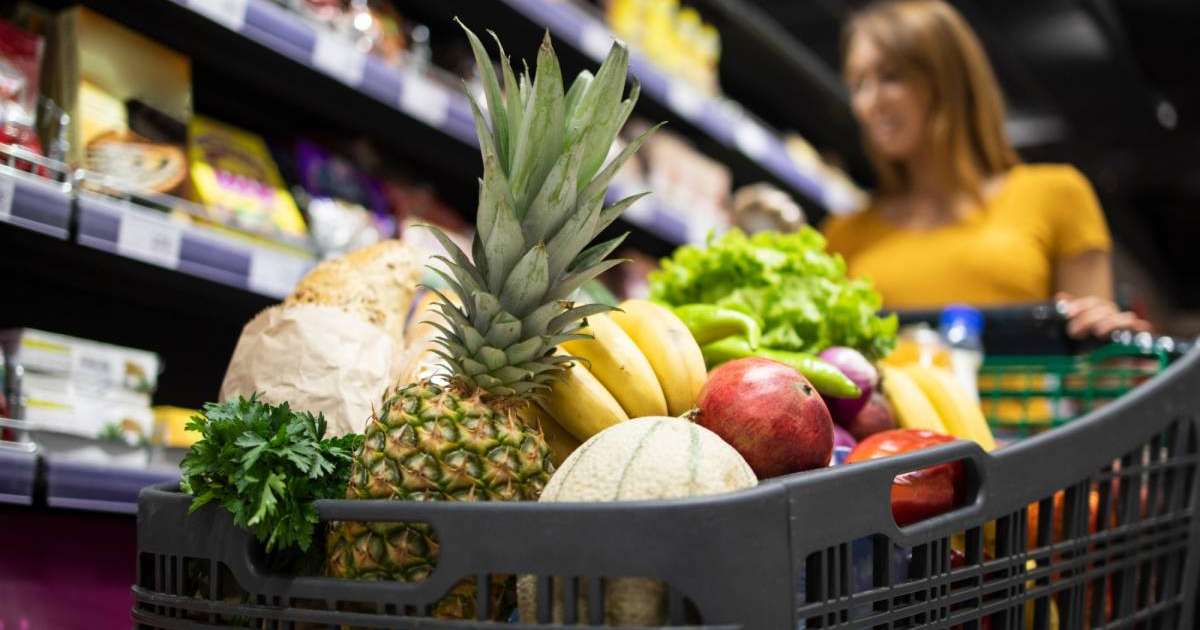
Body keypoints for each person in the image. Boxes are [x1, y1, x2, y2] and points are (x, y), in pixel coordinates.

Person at [823, 0, 1150, 338]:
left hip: (1022, 392)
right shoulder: (843, 234)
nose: (869, 102)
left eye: (890, 77)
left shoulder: (1056, 193)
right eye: (858, 84)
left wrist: (1103, 333)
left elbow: (1095, 368)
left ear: (948, 78)